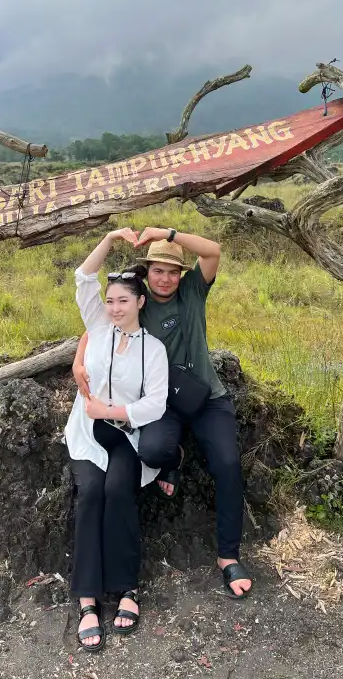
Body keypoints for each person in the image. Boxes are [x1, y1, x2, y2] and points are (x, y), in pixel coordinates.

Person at [73, 227, 253, 599]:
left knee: (228, 464)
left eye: (173, 271)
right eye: (158, 270)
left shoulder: (192, 290)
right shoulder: (138, 305)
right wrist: (78, 359)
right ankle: (175, 457)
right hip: (164, 403)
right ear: (147, 273)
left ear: (181, 275)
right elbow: (98, 322)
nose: (166, 278)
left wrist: (167, 233)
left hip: (207, 397)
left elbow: (213, 250)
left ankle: (228, 555)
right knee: (153, 451)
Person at [65, 227, 169, 652]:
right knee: (91, 492)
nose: (114, 308)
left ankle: (127, 587)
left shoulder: (153, 349)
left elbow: (156, 403)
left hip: (126, 435)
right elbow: (83, 277)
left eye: (123, 301)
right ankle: (87, 599)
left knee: (118, 491)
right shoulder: (97, 326)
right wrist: (109, 238)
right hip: (88, 433)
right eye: (110, 301)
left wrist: (111, 411)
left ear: (140, 302)